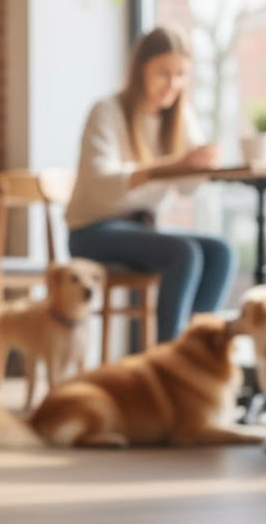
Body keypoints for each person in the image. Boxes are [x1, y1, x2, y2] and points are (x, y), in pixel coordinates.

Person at [66, 25, 235, 342]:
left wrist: (201, 163)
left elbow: (187, 188)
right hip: (91, 231)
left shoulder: (180, 117)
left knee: (221, 252)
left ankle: (196, 349)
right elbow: (101, 182)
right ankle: (168, 358)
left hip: (141, 231)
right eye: (163, 73)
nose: (173, 84)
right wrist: (170, 166)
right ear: (140, 69)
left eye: (181, 74)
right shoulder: (107, 111)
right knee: (185, 253)